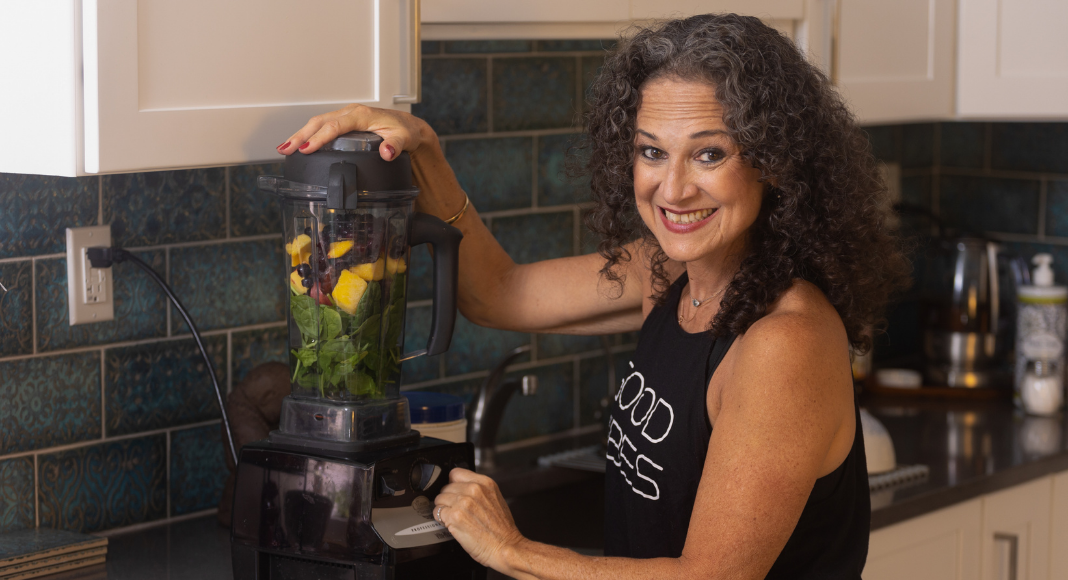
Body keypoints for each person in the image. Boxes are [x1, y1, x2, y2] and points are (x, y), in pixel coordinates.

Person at [278, 13, 910, 579]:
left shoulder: (785, 342)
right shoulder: (665, 274)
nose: (673, 188)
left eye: (709, 153)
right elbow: (500, 294)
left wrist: (513, 550)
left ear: (772, 159)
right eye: (651, 152)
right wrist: (424, 148)